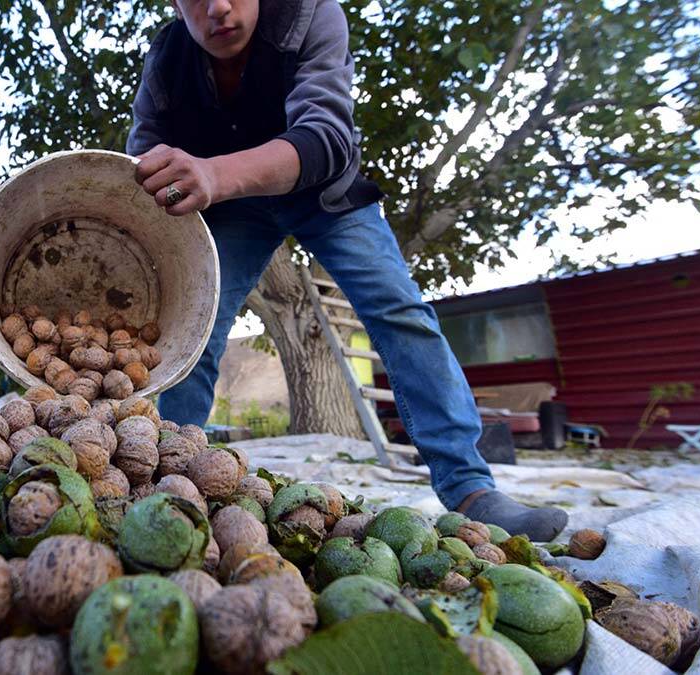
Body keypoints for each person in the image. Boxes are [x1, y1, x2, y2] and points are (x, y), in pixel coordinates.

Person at [127, 0, 568, 540]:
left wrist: (215, 173)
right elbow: (144, 151)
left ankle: (470, 487)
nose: (218, 7)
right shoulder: (168, 56)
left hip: (324, 193)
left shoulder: (309, 15)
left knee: (400, 312)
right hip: (232, 210)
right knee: (193, 325)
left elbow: (327, 137)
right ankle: (173, 482)